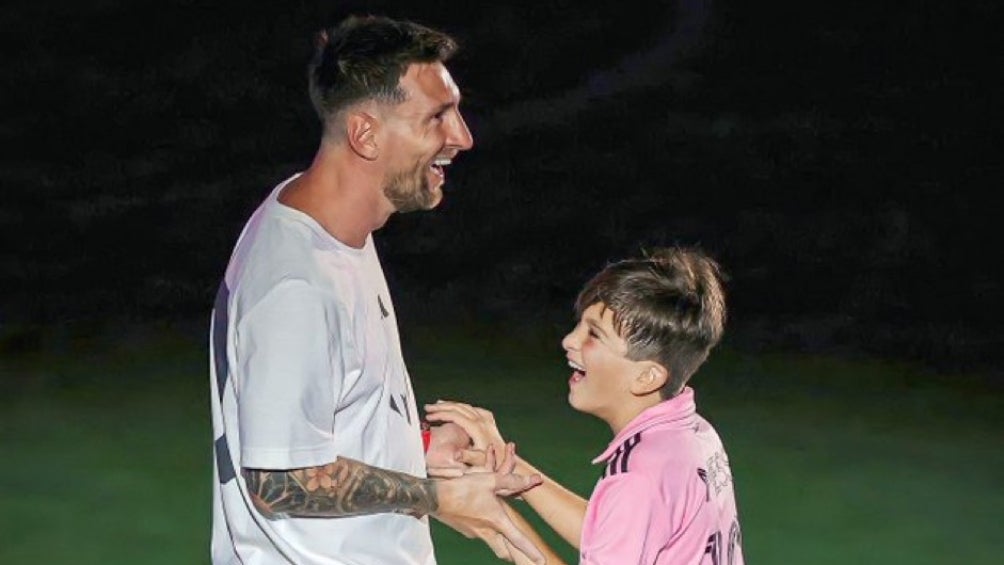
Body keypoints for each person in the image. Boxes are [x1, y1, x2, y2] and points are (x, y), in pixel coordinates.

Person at [208, 15, 545, 565]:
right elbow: (279, 479)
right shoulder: (296, 285)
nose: (462, 136)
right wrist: (437, 498)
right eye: (437, 116)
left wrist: (424, 449)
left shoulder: (328, 226)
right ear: (365, 133)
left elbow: (320, 412)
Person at [428, 247, 745, 564]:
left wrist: (498, 522)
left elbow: (630, 506)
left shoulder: (640, 475)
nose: (569, 340)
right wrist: (511, 468)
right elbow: (617, 530)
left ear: (647, 377)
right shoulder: (692, 435)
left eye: (594, 334)